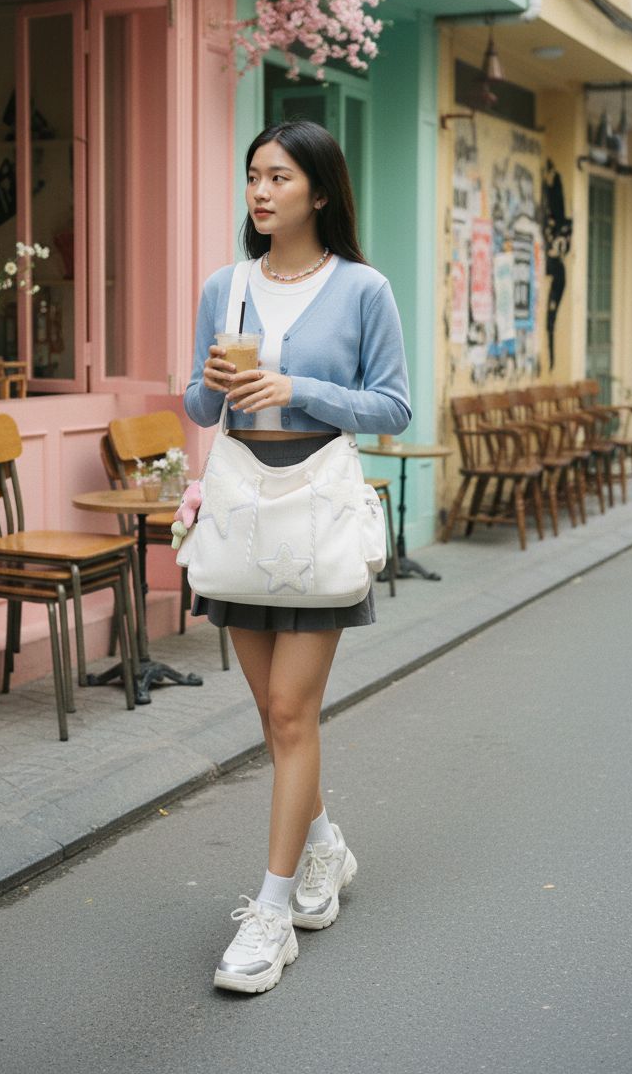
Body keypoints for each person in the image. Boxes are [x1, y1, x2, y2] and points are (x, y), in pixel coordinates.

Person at [184, 119, 411, 993]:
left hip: (315, 507)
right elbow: (204, 408)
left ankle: (272, 915)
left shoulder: (363, 289)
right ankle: (325, 850)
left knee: (289, 710)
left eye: (278, 176)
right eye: (252, 177)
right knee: (281, 723)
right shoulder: (226, 286)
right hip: (244, 513)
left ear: (319, 191)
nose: (260, 191)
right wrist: (213, 379)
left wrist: (296, 388)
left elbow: (393, 406)